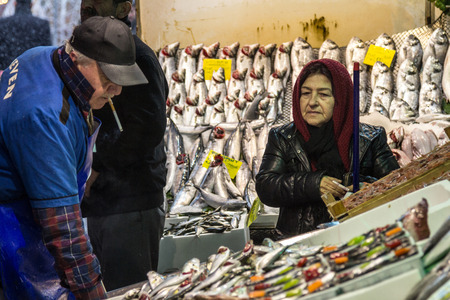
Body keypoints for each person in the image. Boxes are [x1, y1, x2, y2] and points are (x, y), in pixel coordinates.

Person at [0, 16, 148, 299]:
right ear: (76, 58)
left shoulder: (39, 56)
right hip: (11, 233)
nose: (117, 90)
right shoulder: (45, 117)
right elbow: (64, 231)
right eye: (109, 78)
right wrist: (94, 292)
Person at [79, 0, 168, 291]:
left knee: (129, 292)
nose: (87, 4)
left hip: (132, 205)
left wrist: (98, 168)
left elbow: (147, 129)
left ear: (123, 8)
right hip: (101, 203)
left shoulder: (137, 57)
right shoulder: (91, 57)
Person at [255, 58, 400, 238]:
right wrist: (314, 184)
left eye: (323, 94)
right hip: (299, 242)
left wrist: (365, 185)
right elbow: (266, 186)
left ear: (340, 99)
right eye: (306, 93)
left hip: (358, 238)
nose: (312, 102)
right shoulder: (283, 137)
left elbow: (397, 185)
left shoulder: (370, 138)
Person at [0, 0, 52, 70]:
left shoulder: (3, 23)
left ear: (15, 4)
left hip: (9, 72)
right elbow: (46, 52)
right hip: (33, 71)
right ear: (31, 5)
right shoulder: (42, 24)